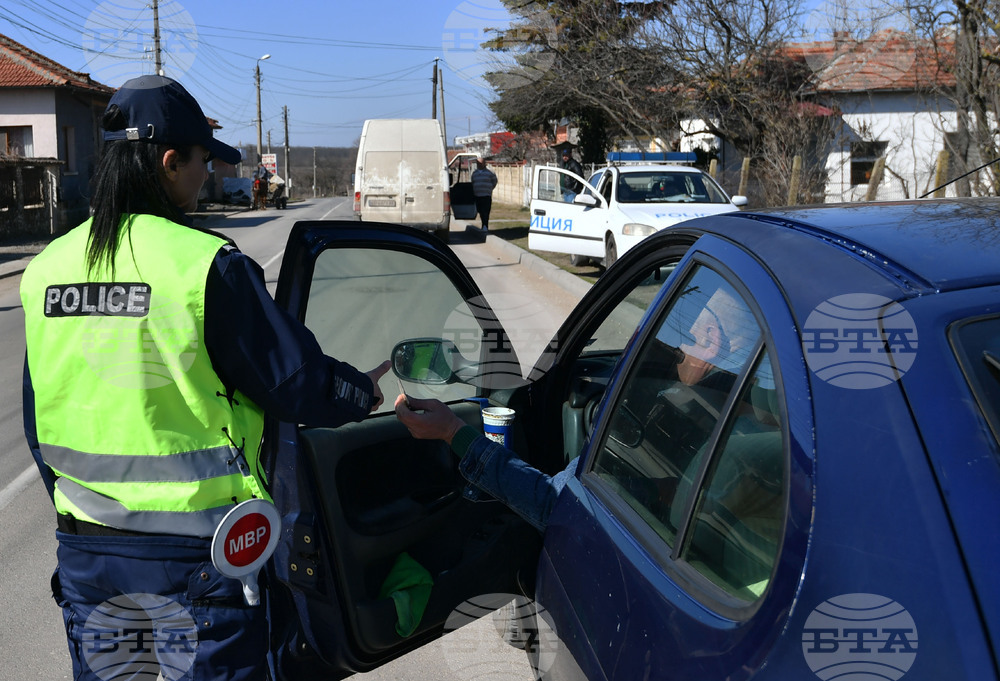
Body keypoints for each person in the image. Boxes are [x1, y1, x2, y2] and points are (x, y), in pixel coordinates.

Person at [19, 74, 390, 681]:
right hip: (200, 559)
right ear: (170, 163)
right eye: (201, 161)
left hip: (89, 554)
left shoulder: (46, 269)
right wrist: (359, 392)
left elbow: (38, 424)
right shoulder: (204, 265)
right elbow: (293, 382)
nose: (206, 173)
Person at [471, 157, 498, 231]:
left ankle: (485, 225)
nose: (479, 164)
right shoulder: (474, 173)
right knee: (480, 211)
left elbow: (494, 181)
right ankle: (483, 224)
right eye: (478, 163)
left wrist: (489, 188)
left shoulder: (489, 173)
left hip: (486, 195)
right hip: (477, 195)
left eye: (481, 163)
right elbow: (473, 182)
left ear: (484, 164)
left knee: (486, 211)